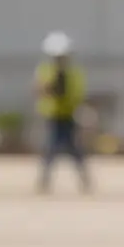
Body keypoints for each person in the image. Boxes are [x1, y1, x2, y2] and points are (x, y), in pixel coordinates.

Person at [34, 31, 91, 194]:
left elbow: (78, 94)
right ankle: (44, 180)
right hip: (52, 116)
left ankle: (83, 179)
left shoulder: (74, 74)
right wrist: (48, 89)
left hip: (68, 115)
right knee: (50, 149)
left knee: (74, 149)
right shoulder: (45, 71)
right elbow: (38, 90)